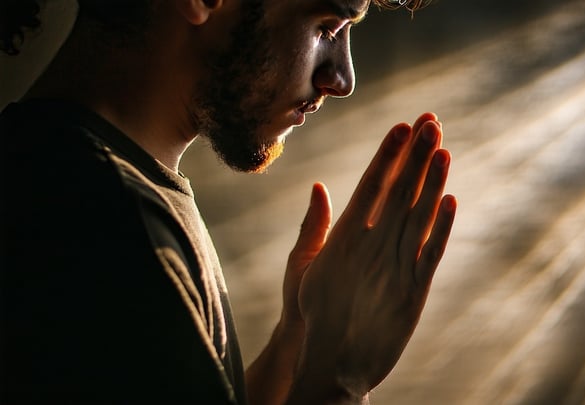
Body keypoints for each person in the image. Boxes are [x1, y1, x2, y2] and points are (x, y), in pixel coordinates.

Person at [0, 0, 457, 403]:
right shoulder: (99, 226)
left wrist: (298, 340)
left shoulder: (98, 184)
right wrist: (341, 376)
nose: (342, 79)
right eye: (328, 28)